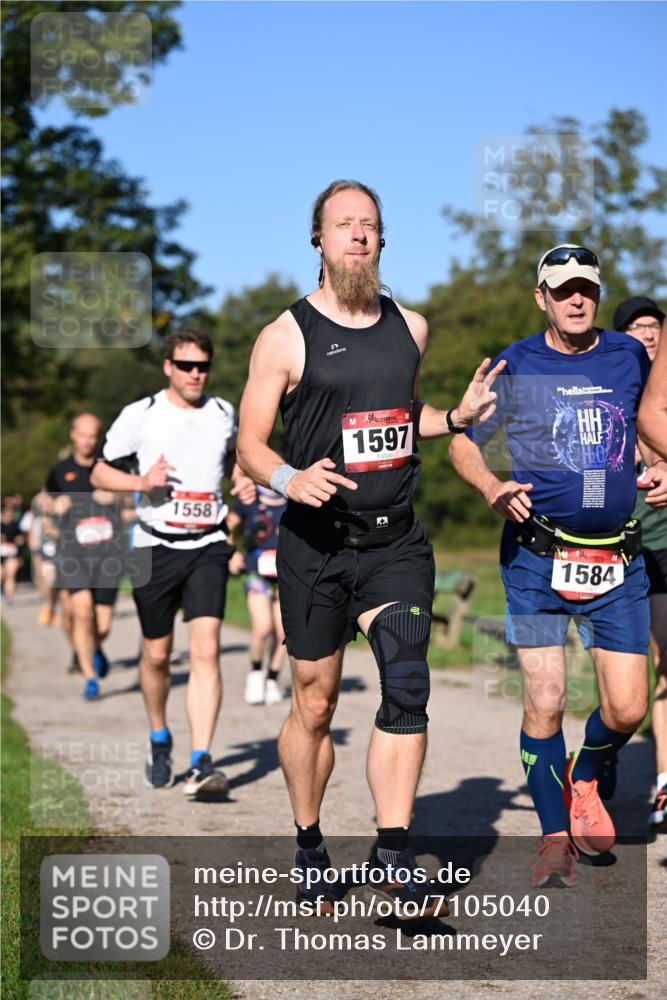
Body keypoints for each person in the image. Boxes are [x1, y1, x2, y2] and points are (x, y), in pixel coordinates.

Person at [236, 179, 503, 916]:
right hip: (316, 546)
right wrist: (289, 478)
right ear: (317, 240)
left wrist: (453, 416)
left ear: (382, 240)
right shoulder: (283, 335)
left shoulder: (410, 327)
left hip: (395, 545)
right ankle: (310, 842)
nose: (358, 235)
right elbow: (250, 444)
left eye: (370, 225)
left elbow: (397, 415)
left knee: (407, 682)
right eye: (343, 224)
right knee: (315, 704)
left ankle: (393, 853)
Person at [449, 245, 667, 887]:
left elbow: (649, 422)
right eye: (563, 289)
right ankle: (552, 837)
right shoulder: (516, 363)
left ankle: (587, 774)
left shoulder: (630, 355)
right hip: (536, 561)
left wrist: (661, 467)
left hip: (617, 562)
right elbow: (464, 445)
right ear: (541, 297)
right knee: (545, 699)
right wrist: (491, 488)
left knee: (628, 710)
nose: (577, 300)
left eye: (587, 290)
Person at [91, 327, 255, 799]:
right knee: (157, 655)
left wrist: (242, 480)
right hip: (153, 546)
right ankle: (159, 736)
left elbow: (235, 460)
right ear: (168, 367)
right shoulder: (140, 414)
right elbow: (100, 470)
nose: (195, 374)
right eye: (186, 365)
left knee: (205, 649)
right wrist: (143, 482)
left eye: (202, 365)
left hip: (207, 544)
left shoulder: (223, 412)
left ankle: (201, 760)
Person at [614, 295, 667, 828]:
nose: (648, 334)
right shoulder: (618, 388)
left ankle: (663, 785)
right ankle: (605, 747)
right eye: (637, 327)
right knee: (635, 666)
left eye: (654, 326)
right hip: (629, 540)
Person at [45, 414, 124, 699]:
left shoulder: (110, 467)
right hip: (73, 552)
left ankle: (93, 647)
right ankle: (90, 677)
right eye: (83, 434)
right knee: (82, 611)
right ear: (73, 435)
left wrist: (115, 497)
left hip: (107, 554)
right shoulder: (60, 470)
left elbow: (132, 501)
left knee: (101, 625)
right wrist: (55, 506)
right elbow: (46, 505)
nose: (88, 440)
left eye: (93, 435)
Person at [227, 485, 288, 706]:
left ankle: (272, 678)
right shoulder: (248, 497)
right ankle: (255, 672)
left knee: (283, 630)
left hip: (285, 573)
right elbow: (228, 526)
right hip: (256, 571)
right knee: (263, 627)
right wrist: (231, 553)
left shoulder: (292, 497)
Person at [1, 498, 25, 601]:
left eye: (11, 511)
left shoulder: (16, 525)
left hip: (12, 554)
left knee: (10, 573)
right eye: (8, 510)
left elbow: (21, 540)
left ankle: (9, 595)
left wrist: (19, 540)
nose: (10, 513)